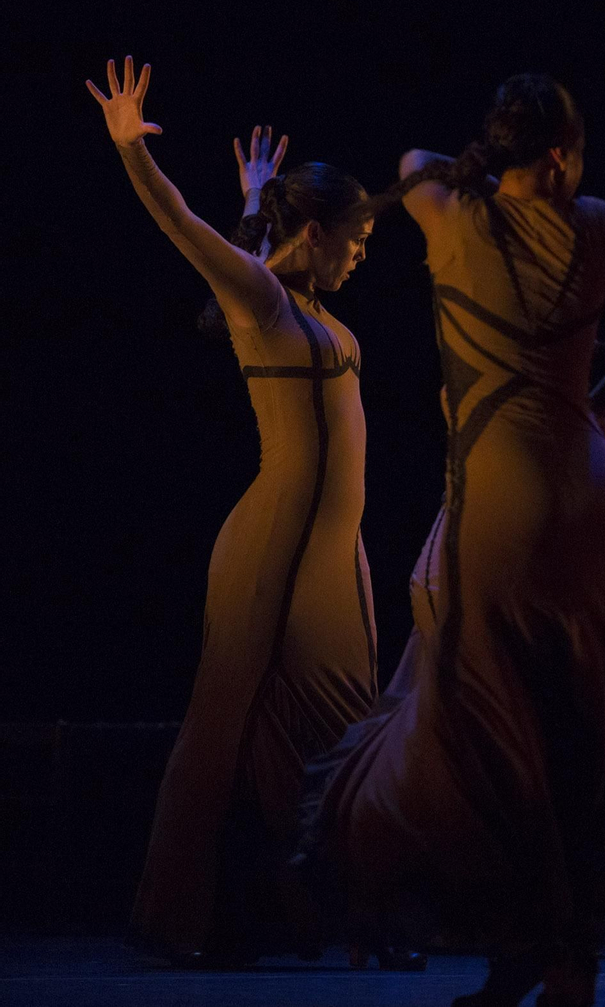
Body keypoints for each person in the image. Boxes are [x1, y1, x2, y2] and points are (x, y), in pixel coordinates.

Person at [298, 73, 605, 1007]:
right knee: (579, 718)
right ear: (561, 156)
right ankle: (559, 955)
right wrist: (595, 396)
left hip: (504, 496)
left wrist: (471, 167)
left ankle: (533, 942)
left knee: (495, 728)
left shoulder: (448, 213)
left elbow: (410, 161)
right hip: (593, 494)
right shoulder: (597, 221)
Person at [86, 59, 379, 963]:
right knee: (231, 721)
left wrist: (255, 202)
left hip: (333, 547)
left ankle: (325, 912)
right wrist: (133, 151)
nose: (364, 252)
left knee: (348, 723)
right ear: (319, 233)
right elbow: (179, 222)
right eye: (357, 237)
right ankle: (190, 916)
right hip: (274, 543)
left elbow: (252, 245)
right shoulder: (258, 298)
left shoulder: (307, 301)